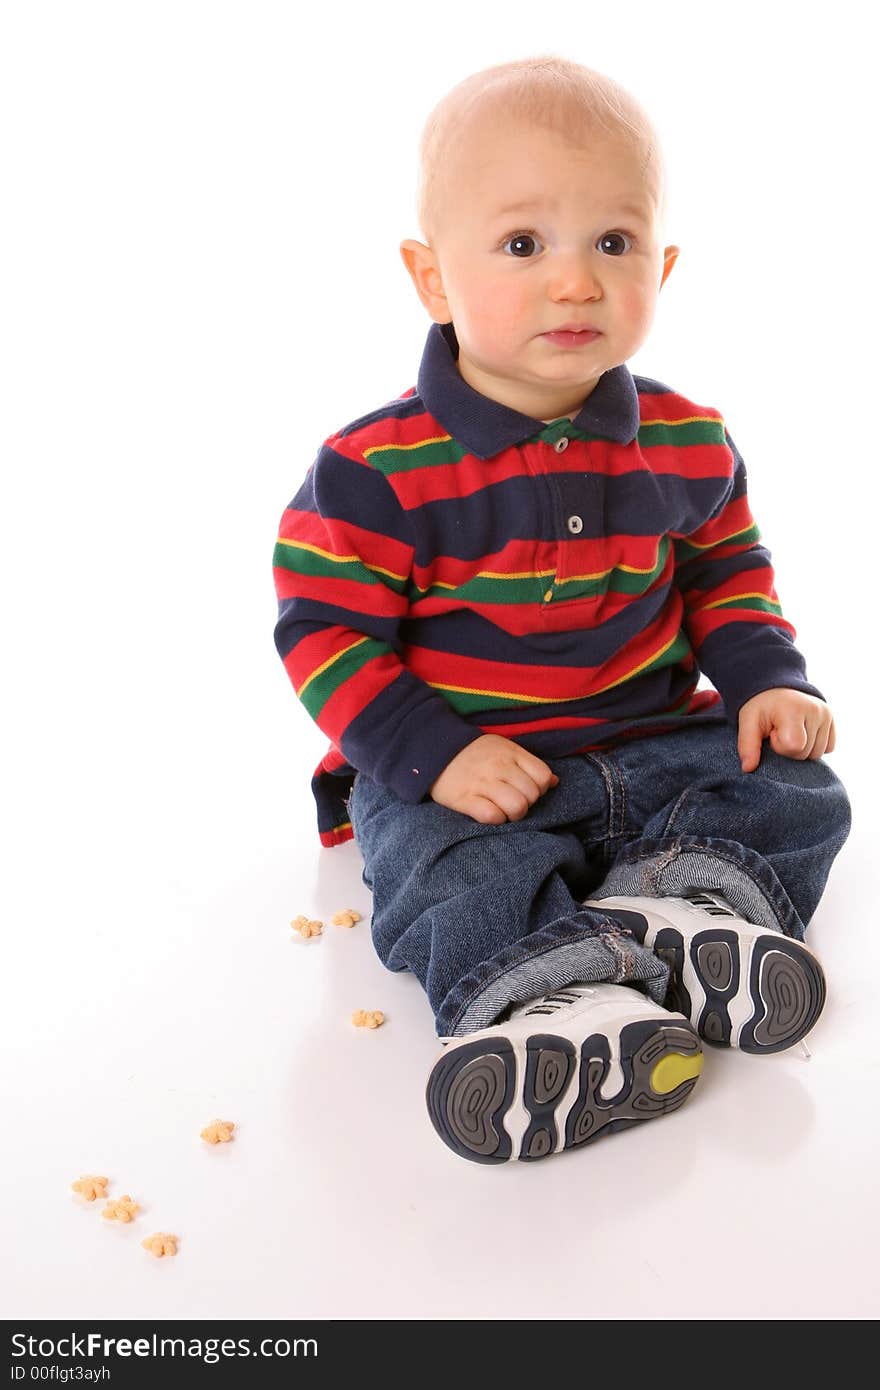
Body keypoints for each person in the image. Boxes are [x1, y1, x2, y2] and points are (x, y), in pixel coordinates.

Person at [272, 55, 851, 1165]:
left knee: (803, 790)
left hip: (649, 749)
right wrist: (435, 755)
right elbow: (324, 632)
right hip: (468, 778)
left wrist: (768, 680)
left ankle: (677, 911)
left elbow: (725, 571)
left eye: (614, 245)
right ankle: (551, 1011)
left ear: (663, 266)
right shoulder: (374, 469)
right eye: (524, 245)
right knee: (449, 871)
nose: (576, 283)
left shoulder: (685, 436)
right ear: (432, 277)